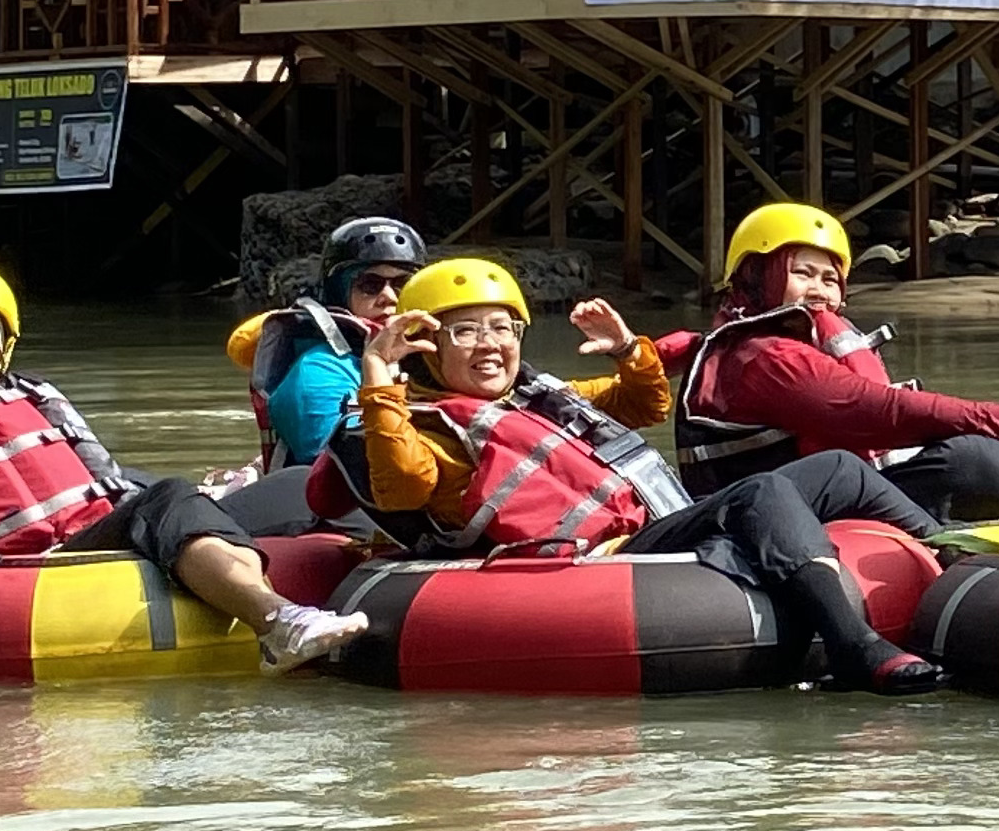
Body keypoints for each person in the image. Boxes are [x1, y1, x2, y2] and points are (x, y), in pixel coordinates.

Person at [346, 257, 945, 694]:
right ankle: (855, 646)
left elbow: (643, 405)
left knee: (837, 467)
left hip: (653, 522)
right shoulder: (423, 425)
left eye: (502, 328)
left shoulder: (534, 400)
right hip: (602, 555)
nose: (491, 345)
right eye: (467, 331)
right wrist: (377, 377)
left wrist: (630, 350)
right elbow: (402, 487)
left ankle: (950, 567)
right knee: (764, 489)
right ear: (426, 347)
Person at [0, 263, 367, 672]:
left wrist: (210, 498)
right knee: (168, 497)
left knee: (297, 486)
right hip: (28, 561)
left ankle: (370, 583)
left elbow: (103, 480)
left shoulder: (30, 393)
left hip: (95, 525)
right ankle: (276, 620)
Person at [659, 202, 999, 515]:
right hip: (781, 513)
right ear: (756, 274)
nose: (821, 291)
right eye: (802, 274)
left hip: (811, 500)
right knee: (968, 458)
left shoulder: (753, 342)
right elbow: (874, 411)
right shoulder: (763, 356)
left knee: (969, 452)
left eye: (831, 280)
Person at [245, 216, 426, 469]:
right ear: (339, 294)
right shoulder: (317, 372)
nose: (389, 297)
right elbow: (339, 468)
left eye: (402, 285)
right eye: (369, 285)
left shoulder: (434, 360)